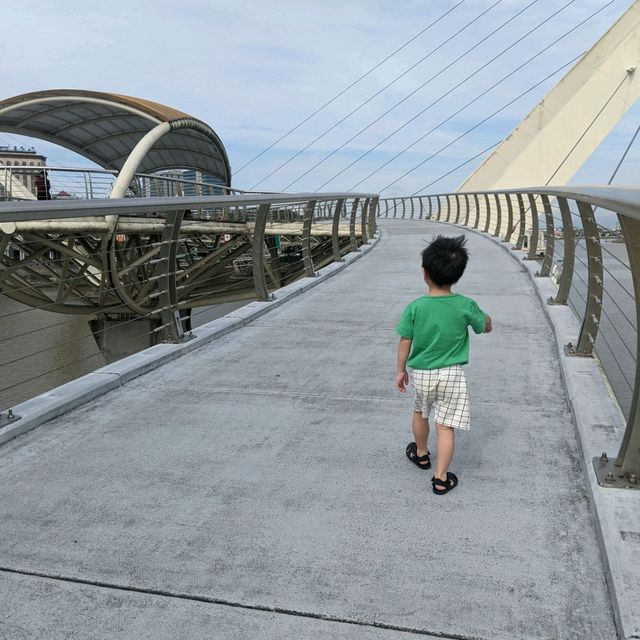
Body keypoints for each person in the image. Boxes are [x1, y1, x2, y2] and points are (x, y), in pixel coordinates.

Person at [395, 235, 492, 495]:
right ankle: (440, 478)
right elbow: (484, 325)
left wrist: (400, 370)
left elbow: (405, 340)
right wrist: (485, 318)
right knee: (445, 425)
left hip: (421, 373)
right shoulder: (465, 305)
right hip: (451, 375)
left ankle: (422, 453)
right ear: (458, 274)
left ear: (424, 272)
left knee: (420, 412)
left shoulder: (415, 307)